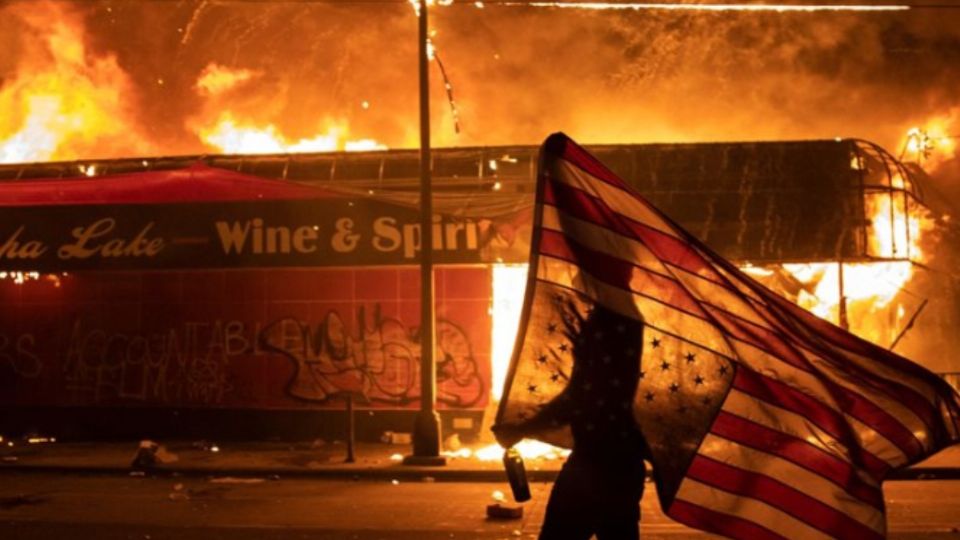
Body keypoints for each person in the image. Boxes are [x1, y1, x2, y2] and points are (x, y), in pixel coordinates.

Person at [494, 303, 649, 540]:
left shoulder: (609, 321)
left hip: (595, 464)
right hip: (620, 461)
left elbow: (581, 396)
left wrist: (523, 428)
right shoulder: (624, 316)